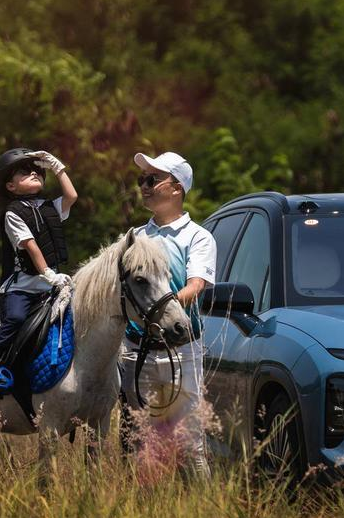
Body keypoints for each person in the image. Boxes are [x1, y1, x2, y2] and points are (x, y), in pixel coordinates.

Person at [118, 151, 216, 478]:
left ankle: (201, 508)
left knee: (191, 442)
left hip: (183, 351)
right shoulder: (134, 238)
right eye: (141, 180)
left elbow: (196, 284)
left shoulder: (198, 237)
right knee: (137, 441)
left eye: (152, 179)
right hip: (136, 351)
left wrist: (163, 310)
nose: (143, 186)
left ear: (177, 188)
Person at [0, 148, 78, 394]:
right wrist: (48, 273)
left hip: (51, 286)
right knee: (15, 319)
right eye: (24, 171)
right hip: (22, 288)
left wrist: (57, 167)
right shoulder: (12, 214)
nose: (34, 173)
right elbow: (31, 246)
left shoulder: (48, 207)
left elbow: (72, 195)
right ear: (10, 186)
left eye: (37, 171)